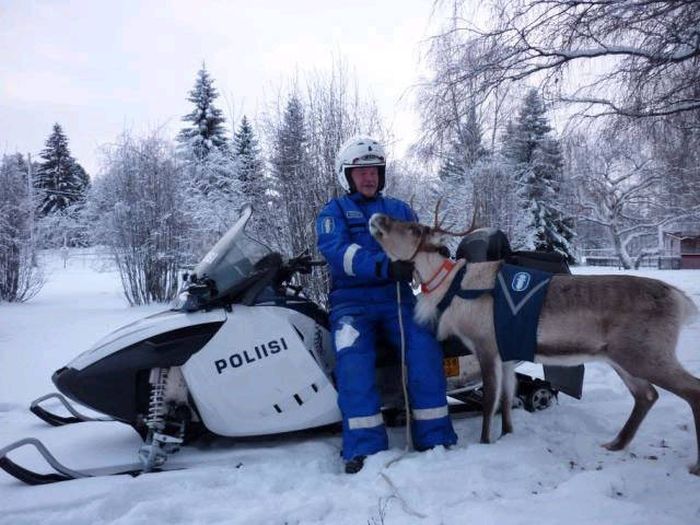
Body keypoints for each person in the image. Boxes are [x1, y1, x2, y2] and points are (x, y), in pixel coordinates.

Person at [316, 136, 457, 474]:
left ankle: (434, 436)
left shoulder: (399, 209)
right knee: (352, 362)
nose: (369, 178)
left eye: (375, 171)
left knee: (424, 349)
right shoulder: (333, 212)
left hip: (397, 300)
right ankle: (364, 449)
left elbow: (420, 239)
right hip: (351, 304)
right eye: (361, 171)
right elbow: (338, 254)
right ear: (347, 176)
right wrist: (382, 266)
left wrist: (437, 250)